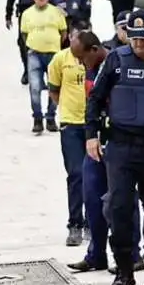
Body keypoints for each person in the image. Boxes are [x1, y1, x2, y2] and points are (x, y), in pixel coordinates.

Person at [86, 10, 144, 285]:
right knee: (120, 208)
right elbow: (96, 99)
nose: (140, 44)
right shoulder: (116, 59)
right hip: (122, 146)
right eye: (134, 38)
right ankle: (124, 270)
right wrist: (91, 135)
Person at [67, 31, 143, 274]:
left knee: (121, 200)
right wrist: (90, 134)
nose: (80, 64)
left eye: (82, 58)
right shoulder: (91, 68)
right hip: (96, 143)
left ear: (94, 50)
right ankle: (96, 254)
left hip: (120, 142)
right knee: (92, 196)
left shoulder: (118, 63)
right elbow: (93, 102)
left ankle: (132, 255)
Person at [47, 25, 89, 247]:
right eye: (75, 38)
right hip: (71, 126)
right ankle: (75, 224)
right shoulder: (60, 60)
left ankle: (93, 222)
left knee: (95, 176)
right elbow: (54, 89)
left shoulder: (95, 58)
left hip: (93, 125)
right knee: (75, 174)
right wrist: (65, 110)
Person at [21, 0, 66, 134]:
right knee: (34, 87)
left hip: (54, 54)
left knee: (54, 86)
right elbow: (24, 34)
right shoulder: (26, 14)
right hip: (34, 54)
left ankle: (51, 118)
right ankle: (37, 119)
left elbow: (63, 32)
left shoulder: (57, 12)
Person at [5, 0, 53, 85]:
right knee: (23, 42)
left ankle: (46, 73)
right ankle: (27, 70)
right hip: (25, 13)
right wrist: (8, 15)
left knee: (44, 42)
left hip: (43, 12)